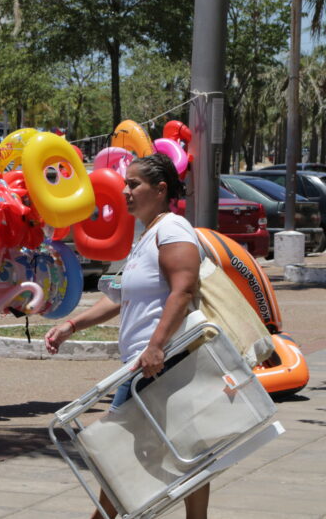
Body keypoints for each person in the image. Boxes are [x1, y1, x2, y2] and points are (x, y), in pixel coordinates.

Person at [44, 153, 209, 519]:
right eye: (125, 184)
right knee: (180, 448)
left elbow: (183, 290)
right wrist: (72, 326)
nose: (125, 191)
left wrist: (156, 346)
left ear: (161, 189)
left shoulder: (173, 230)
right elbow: (120, 298)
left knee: (120, 447)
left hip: (159, 363)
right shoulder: (147, 235)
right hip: (145, 363)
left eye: (134, 184)